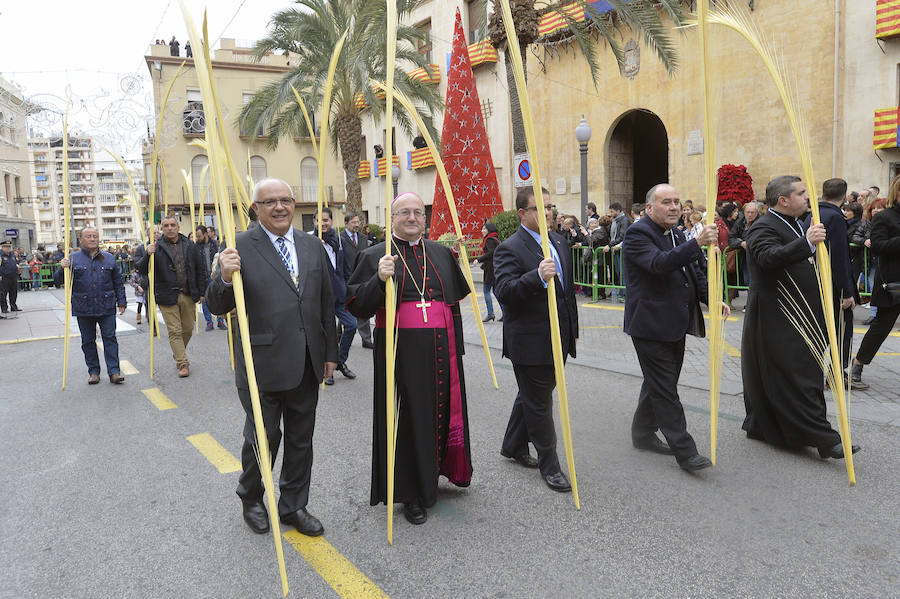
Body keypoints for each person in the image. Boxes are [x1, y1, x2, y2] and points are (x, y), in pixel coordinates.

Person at [206, 178, 337, 537]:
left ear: (295, 204)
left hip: (307, 359)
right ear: (256, 209)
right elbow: (216, 304)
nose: (279, 207)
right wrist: (224, 275)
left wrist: (330, 353)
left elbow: (325, 302)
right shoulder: (238, 246)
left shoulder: (312, 246)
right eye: (269, 202)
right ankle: (251, 495)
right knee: (264, 436)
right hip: (259, 362)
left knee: (300, 438)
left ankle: (293, 505)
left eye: (285, 200)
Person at [346, 192, 473, 525]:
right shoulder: (375, 254)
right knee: (407, 420)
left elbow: (453, 307)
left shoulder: (441, 254)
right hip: (400, 352)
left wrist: (456, 350)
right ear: (393, 218)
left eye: (418, 212)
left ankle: (439, 472)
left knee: (441, 412)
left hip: (442, 351)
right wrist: (379, 278)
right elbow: (357, 305)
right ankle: (410, 493)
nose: (413, 217)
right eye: (405, 212)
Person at [741, 176, 860, 459]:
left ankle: (768, 426)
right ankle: (825, 439)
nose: (808, 197)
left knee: (795, 375)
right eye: (802, 193)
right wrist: (806, 243)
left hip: (799, 314)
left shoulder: (796, 223)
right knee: (797, 376)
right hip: (777, 315)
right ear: (783, 200)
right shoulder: (763, 226)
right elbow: (767, 257)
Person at [622, 184, 725, 471]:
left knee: (658, 383)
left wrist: (711, 300)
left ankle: (642, 433)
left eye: (677, 202)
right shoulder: (638, 233)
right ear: (649, 208)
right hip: (650, 325)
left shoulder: (677, 233)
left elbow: (692, 271)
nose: (675, 207)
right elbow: (658, 264)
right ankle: (686, 451)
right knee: (666, 389)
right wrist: (695, 243)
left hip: (675, 322)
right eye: (666, 202)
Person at [494, 186, 578, 493]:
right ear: (522, 214)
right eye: (539, 209)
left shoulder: (558, 241)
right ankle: (550, 465)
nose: (548, 214)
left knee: (531, 396)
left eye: (550, 207)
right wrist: (536, 277)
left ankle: (513, 444)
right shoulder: (510, 248)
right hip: (530, 342)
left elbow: (566, 293)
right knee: (540, 403)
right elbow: (504, 291)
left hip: (561, 337)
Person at [807, 178, 866, 390]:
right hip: (832, 285)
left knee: (818, 329)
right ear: (844, 196)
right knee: (842, 331)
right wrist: (846, 292)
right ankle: (836, 375)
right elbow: (839, 257)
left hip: (814, 283)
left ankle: (810, 372)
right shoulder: (835, 218)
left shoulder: (812, 214)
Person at [53, 228, 127, 384]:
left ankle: (114, 371)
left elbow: (118, 282)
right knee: (88, 341)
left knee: (110, 338)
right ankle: (93, 372)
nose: (92, 239)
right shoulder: (72, 258)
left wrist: (122, 302)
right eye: (88, 236)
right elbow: (57, 281)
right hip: (83, 307)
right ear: (81, 240)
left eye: (95, 236)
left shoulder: (109, 258)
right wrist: (62, 268)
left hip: (106, 305)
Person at [136, 216, 205, 378]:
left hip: (188, 293)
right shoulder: (156, 247)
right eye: (166, 225)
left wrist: (202, 292)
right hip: (166, 295)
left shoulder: (189, 245)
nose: (170, 228)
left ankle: (178, 352)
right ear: (162, 228)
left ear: (178, 226)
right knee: (174, 331)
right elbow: (141, 269)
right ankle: (183, 363)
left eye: (173, 225)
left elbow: (199, 269)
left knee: (188, 328)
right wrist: (147, 254)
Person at [852, 181, 900, 387]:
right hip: (892, 282)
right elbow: (878, 247)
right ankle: (858, 363)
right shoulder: (884, 217)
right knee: (882, 326)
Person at [311, 207, 356, 384]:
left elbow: (344, 268)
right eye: (318, 220)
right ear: (313, 222)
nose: (322, 223)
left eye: (326, 220)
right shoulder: (310, 242)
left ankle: (340, 361)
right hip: (320, 298)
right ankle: (326, 368)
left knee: (351, 325)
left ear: (331, 221)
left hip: (339, 295)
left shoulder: (339, 240)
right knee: (325, 334)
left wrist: (347, 287)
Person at [340, 213, 375, 349]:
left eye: (357, 222)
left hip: (362, 278)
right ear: (346, 223)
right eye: (353, 222)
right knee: (344, 307)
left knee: (362, 306)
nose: (356, 225)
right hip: (346, 278)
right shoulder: (339, 238)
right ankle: (339, 333)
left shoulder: (363, 238)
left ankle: (366, 339)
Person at [850, 197, 886, 325]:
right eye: (873, 208)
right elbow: (855, 237)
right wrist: (864, 241)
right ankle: (874, 315)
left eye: (879, 208)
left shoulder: (891, 222)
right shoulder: (866, 223)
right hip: (870, 263)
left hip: (887, 262)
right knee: (873, 290)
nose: (876, 211)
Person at [195, 225, 226, 331]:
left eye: (199, 236)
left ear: (206, 234)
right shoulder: (196, 247)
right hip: (203, 278)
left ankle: (220, 321)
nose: (198, 238)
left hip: (215, 276)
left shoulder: (215, 244)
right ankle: (209, 322)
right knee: (205, 301)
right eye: (197, 236)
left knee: (219, 298)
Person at [603, 202, 630, 302]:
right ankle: (621, 293)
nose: (610, 213)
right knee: (619, 272)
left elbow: (622, 236)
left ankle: (623, 294)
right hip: (616, 249)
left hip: (620, 249)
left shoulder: (624, 221)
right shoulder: (615, 221)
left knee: (623, 272)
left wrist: (610, 245)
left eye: (612, 211)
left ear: (618, 211)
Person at [476, 221, 501, 321]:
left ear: (489, 230)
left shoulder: (489, 240)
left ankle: (490, 313)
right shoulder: (495, 238)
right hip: (495, 268)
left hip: (490, 269)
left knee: (486, 291)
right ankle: (505, 312)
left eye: (484, 229)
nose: (482, 231)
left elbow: (491, 253)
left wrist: (479, 259)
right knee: (495, 291)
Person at [0, 241, 20, 316]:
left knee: (13, 293)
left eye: (9, 247)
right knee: (3, 294)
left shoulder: (12, 255)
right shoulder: (0, 255)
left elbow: (14, 263)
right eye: (6, 247)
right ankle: (4, 308)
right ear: (2, 247)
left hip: (13, 276)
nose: (8, 248)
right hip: (4, 277)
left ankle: (13, 307)